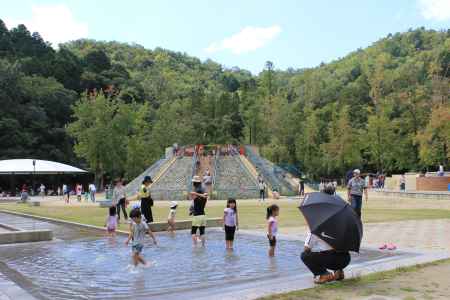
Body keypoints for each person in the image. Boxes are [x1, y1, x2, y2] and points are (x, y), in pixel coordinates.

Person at [301, 183, 351, 284]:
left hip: (330, 260)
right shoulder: (342, 222)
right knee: (334, 249)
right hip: (345, 258)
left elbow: (306, 248)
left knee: (305, 255)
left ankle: (323, 274)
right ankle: (339, 272)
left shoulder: (317, 226)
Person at [190, 175, 208, 246]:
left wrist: (195, 193)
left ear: (194, 183)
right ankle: (203, 245)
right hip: (203, 215)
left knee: (193, 232)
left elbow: (192, 199)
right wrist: (200, 194)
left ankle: (195, 246)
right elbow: (205, 195)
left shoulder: (194, 195)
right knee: (202, 232)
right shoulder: (204, 197)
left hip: (197, 216)